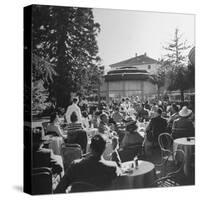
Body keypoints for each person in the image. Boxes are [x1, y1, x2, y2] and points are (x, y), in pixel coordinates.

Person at [55, 134, 120, 193]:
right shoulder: (112, 167)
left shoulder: (75, 165)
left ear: (90, 148)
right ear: (105, 148)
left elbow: (59, 190)